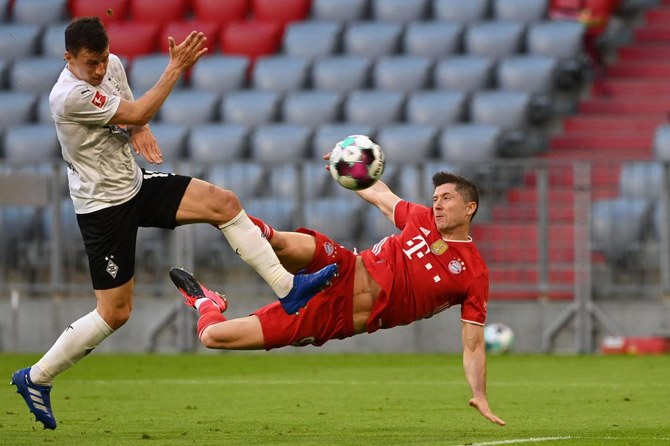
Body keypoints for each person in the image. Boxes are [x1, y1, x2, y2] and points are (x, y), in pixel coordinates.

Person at [10, 17, 337, 430]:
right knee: (115, 313)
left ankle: (288, 289)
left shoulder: (111, 67)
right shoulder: (67, 96)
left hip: (135, 185)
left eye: (103, 59)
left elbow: (132, 114)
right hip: (102, 209)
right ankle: (36, 377)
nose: (99, 70)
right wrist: (174, 69)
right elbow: (138, 107)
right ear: (68, 58)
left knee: (224, 202)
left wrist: (139, 128)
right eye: (90, 62)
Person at [170, 170, 506, 426]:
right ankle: (213, 211)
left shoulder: (474, 274)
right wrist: (349, 169)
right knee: (275, 241)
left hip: (335, 316)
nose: (437, 204)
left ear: (469, 207)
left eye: (446, 198)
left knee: (213, 337)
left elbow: (473, 345)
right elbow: (380, 195)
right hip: (342, 267)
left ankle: (206, 303)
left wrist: (479, 394)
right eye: (435, 197)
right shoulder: (420, 219)